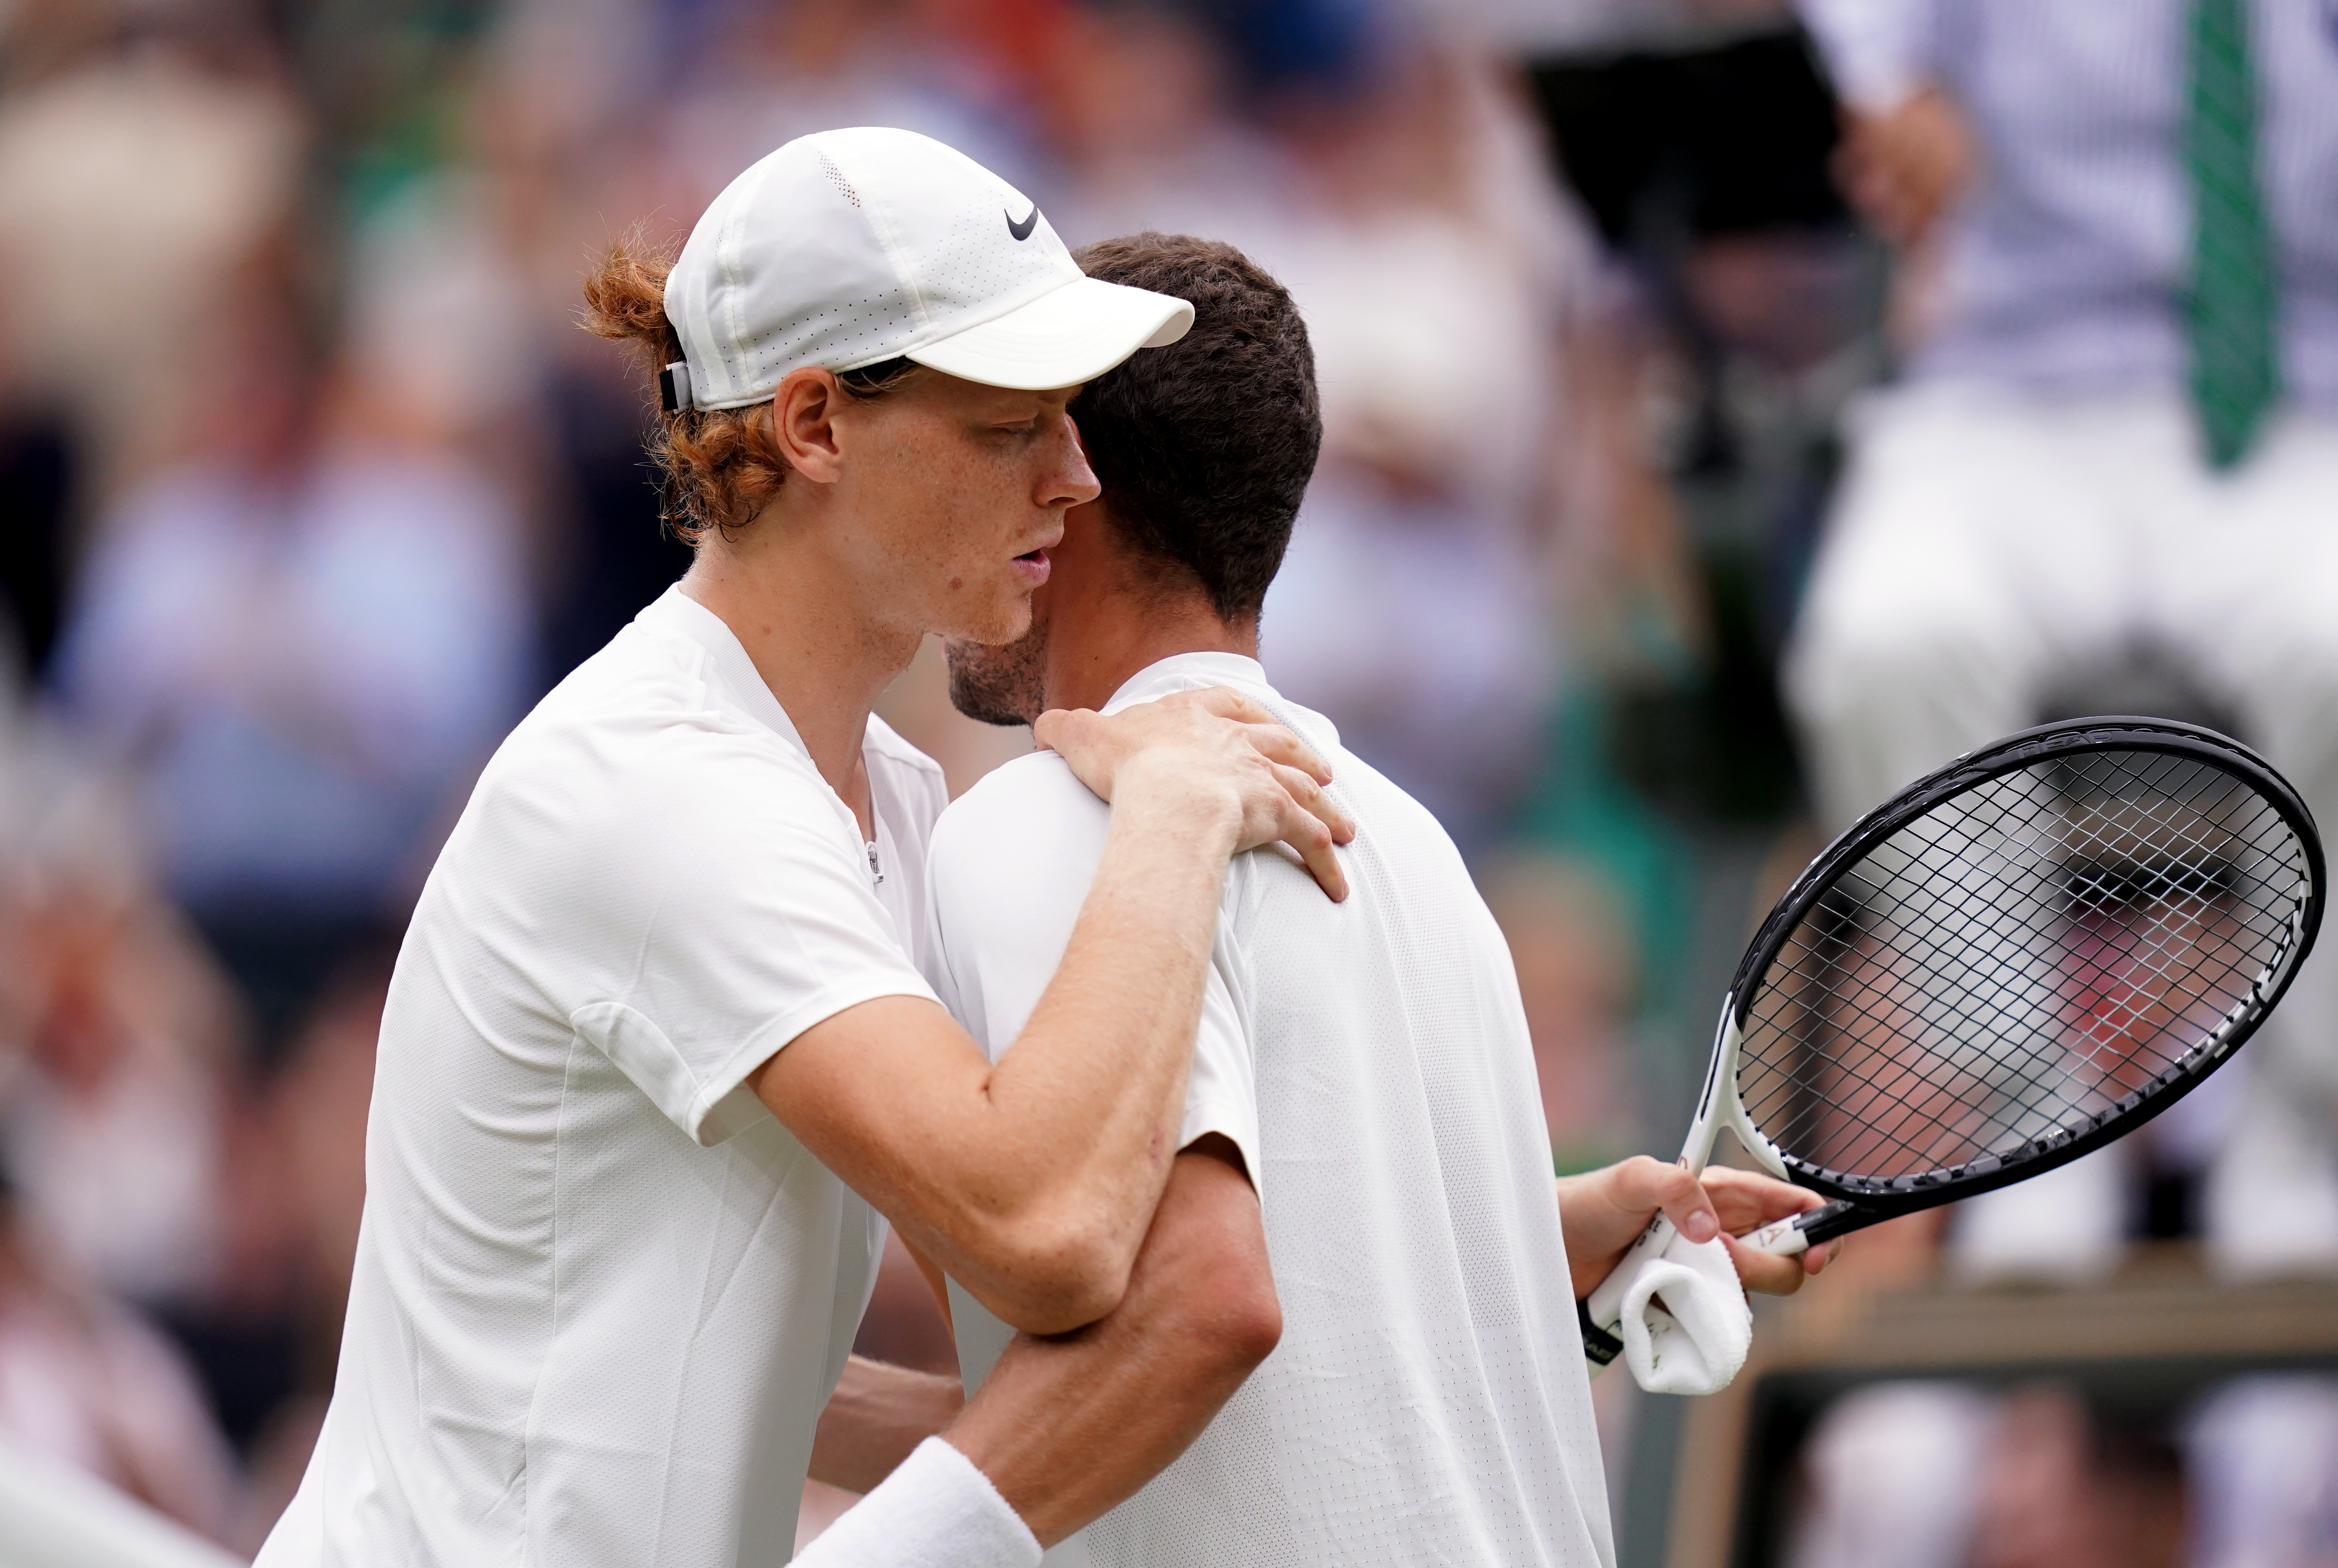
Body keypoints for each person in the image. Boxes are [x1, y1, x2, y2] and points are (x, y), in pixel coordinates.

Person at [253, 128, 1353, 1568]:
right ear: (816, 426)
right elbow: (1052, 1230)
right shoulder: (668, 792)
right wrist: (1174, 811)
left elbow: (743, 1373)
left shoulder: (880, 791)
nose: (1079, 477)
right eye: (1012, 424)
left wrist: (1527, 1239)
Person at [836, 232, 1830, 1565]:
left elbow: (1198, 1317)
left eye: (999, 441)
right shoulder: (1420, 852)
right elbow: (1143, 1408)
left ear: (1069, 493)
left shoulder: (1042, 821)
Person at [1785, 0, 2338, 1280]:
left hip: (2310, 400)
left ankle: (2313, 1117)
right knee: (1888, 637)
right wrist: (1885, 73)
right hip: (2010, 392)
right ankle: (2032, 1120)